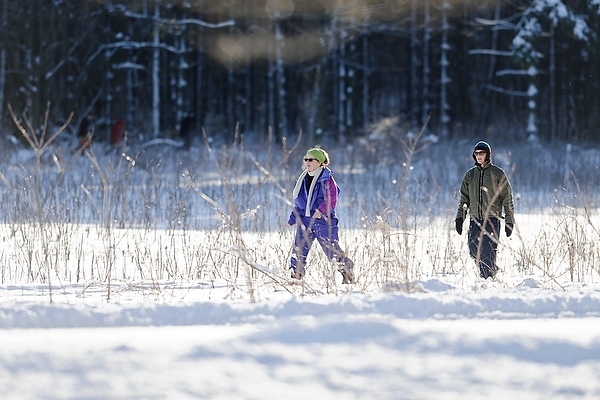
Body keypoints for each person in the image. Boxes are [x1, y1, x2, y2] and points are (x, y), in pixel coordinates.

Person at [287, 147, 355, 284]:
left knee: (330, 248)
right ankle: (296, 275)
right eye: (306, 159)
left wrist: (321, 210)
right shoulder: (303, 178)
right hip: (305, 219)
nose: (307, 162)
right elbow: (300, 201)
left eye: (310, 159)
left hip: (323, 220)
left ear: (320, 162)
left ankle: (347, 272)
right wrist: (292, 218)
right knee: (299, 246)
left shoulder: (327, 179)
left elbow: (332, 198)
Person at [455, 140, 515, 279]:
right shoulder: (470, 175)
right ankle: (491, 269)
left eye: (482, 153)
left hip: (492, 219)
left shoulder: (498, 173)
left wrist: (509, 220)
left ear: (488, 154)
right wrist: (460, 217)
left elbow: (507, 198)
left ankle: (487, 281)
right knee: (473, 250)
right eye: (476, 153)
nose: (479, 156)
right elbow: (464, 199)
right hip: (475, 219)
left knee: (487, 252)